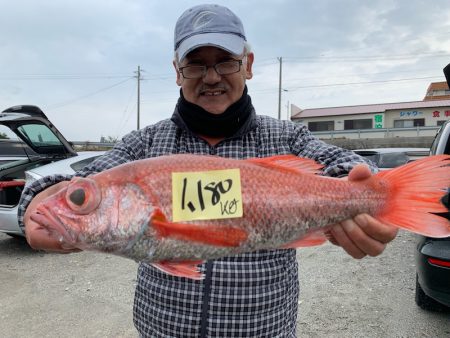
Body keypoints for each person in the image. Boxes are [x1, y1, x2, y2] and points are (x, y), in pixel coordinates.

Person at [19, 4, 398, 337]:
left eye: (226, 62)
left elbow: (345, 165)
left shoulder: (287, 136)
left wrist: (364, 190)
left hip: (265, 330)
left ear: (248, 65)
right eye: (196, 64)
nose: (212, 76)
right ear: (177, 71)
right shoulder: (145, 145)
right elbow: (68, 182)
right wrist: (38, 205)